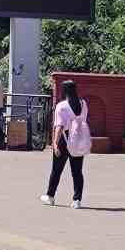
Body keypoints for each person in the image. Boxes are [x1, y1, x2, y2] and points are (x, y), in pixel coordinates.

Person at [41, 80, 92, 208]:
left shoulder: (62, 106)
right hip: (78, 139)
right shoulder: (83, 103)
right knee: (77, 171)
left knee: (57, 170)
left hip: (64, 139)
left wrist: (55, 143)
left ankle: (50, 196)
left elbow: (59, 127)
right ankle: (77, 200)